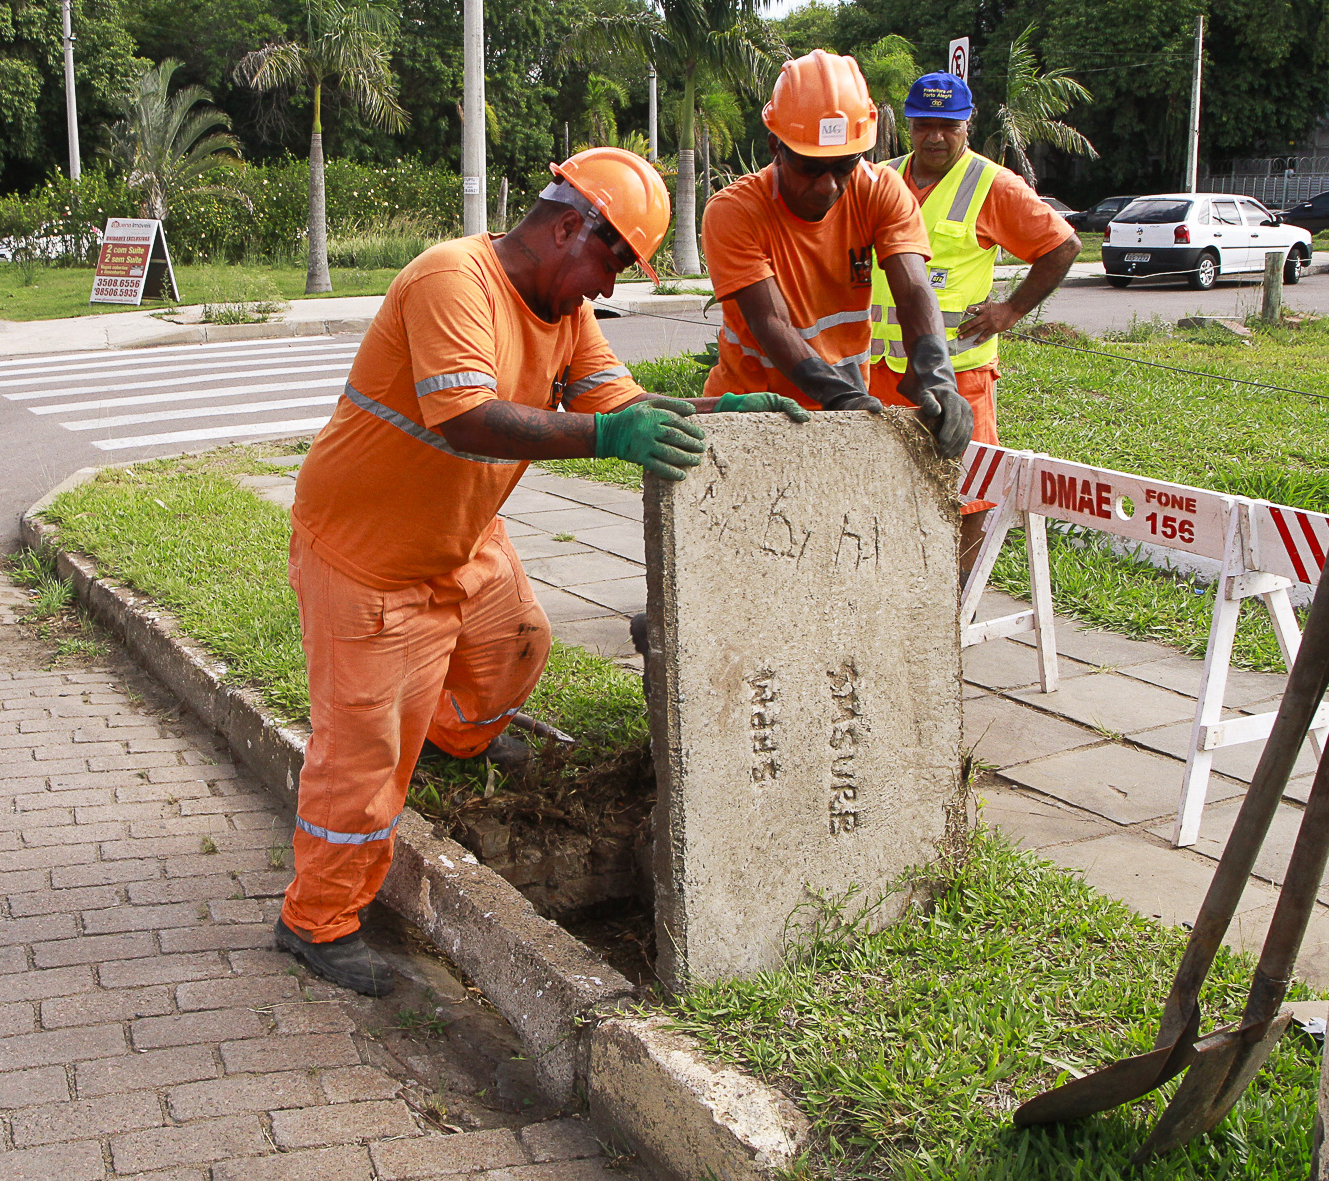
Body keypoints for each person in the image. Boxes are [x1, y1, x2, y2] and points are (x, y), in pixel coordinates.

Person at [277, 147, 808, 996]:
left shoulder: (563, 312)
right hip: (367, 558)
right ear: (568, 226)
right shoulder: (452, 279)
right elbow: (466, 419)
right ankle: (318, 921)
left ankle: (451, 737)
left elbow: (621, 406)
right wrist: (606, 440)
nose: (608, 286)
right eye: (612, 260)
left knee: (517, 646)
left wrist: (719, 413)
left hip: (459, 538)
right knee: (365, 758)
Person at [700, 49, 973, 457]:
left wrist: (936, 374)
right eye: (811, 168)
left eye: (844, 166)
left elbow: (914, 288)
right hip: (750, 413)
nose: (828, 186)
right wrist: (839, 397)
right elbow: (770, 320)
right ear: (776, 146)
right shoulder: (735, 211)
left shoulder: (880, 190)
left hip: (842, 405)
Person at [866, 71, 1079, 569]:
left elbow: (1063, 246)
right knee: (883, 485)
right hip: (877, 372)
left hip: (958, 376)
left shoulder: (991, 184)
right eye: (924, 125)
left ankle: (960, 607)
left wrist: (1011, 310)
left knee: (969, 493)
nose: (935, 137)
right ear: (909, 124)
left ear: (967, 126)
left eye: (949, 125)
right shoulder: (880, 177)